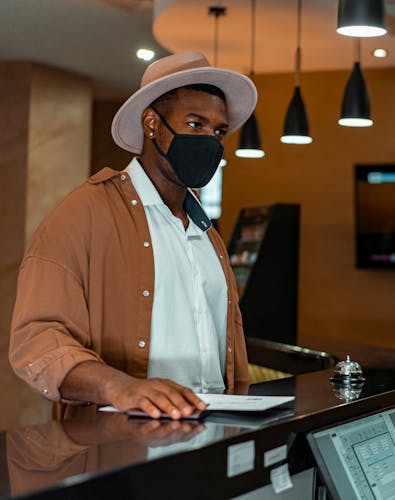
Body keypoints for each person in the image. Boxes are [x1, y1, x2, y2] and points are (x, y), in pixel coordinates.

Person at [9, 51, 257, 420]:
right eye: (194, 124)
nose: (210, 139)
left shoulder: (208, 233)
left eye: (218, 131)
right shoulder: (85, 212)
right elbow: (36, 339)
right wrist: (118, 386)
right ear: (151, 123)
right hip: (122, 448)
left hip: (212, 440)